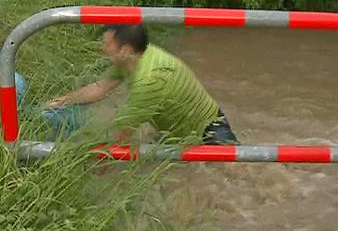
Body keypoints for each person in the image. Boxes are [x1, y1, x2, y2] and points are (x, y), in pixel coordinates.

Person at [46, 24, 238, 145]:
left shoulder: (149, 79)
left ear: (125, 49)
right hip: (174, 133)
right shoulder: (132, 59)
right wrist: (62, 102)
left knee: (233, 176)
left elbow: (123, 135)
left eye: (106, 44)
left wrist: (97, 168)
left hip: (209, 131)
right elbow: (99, 88)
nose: (102, 49)